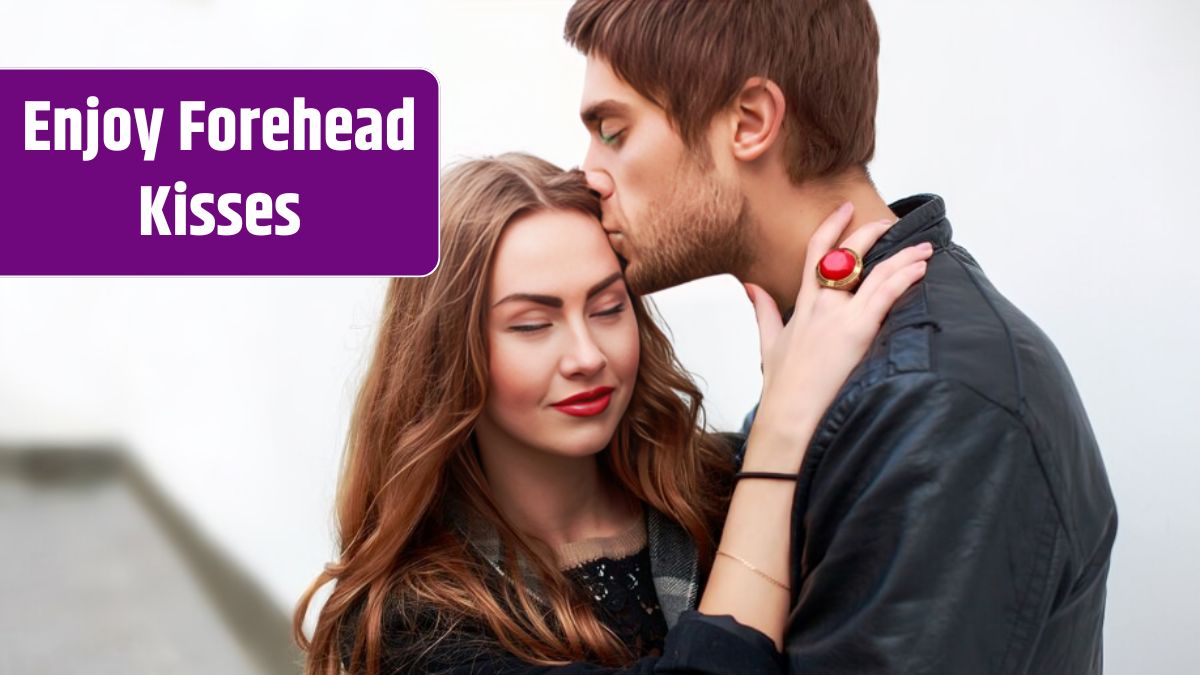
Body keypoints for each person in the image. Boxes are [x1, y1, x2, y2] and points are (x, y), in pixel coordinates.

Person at [564, 1, 1118, 673]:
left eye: (614, 131)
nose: (588, 173)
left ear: (750, 122)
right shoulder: (843, 354)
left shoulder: (936, 403)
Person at [292, 153, 932, 674]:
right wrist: (782, 434)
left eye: (607, 307)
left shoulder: (718, 490)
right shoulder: (413, 629)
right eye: (533, 323)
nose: (587, 355)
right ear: (448, 355)